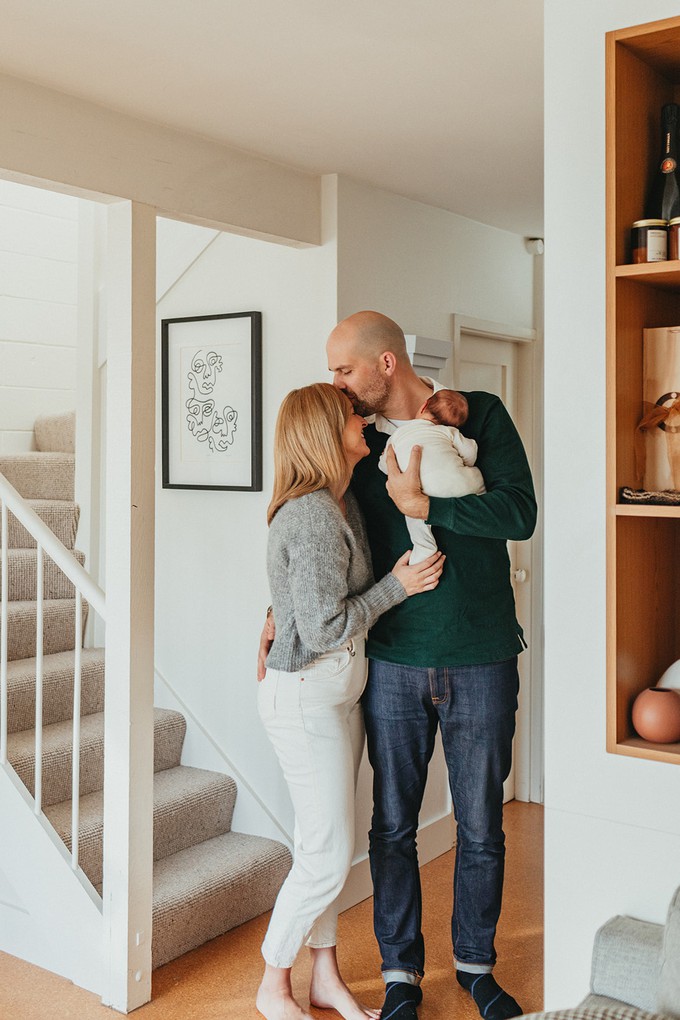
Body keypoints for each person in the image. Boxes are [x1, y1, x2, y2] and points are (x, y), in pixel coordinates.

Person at [320, 311, 537, 1020]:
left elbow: (517, 513)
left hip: (482, 656)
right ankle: (400, 976)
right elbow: (323, 529)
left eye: (344, 369)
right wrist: (279, 613)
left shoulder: (483, 417)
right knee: (392, 826)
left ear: (386, 364)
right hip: (394, 660)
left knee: (481, 827)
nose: (336, 384)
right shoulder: (356, 443)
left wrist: (426, 506)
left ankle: (476, 967)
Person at [256, 382, 445, 1020]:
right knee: (330, 852)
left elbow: (311, 599)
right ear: (323, 433)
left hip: (334, 699)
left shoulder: (338, 500)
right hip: (307, 699)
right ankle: (272, 982)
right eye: (351, 418)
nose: (363, 421)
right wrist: (398, 585)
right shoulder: (311, 513)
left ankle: (324, 978)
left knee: (321, 843)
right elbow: (323, 628)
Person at [377, 388, 485, 563]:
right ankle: (481, 494)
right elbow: (471, 451)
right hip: (458, 488)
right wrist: (465, 463)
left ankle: (424, 549)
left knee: (413, 516)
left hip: (420, 492)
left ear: (424, 405)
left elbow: (384, 465)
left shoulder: (397, 435)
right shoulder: (448, 432)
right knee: (476, 476)